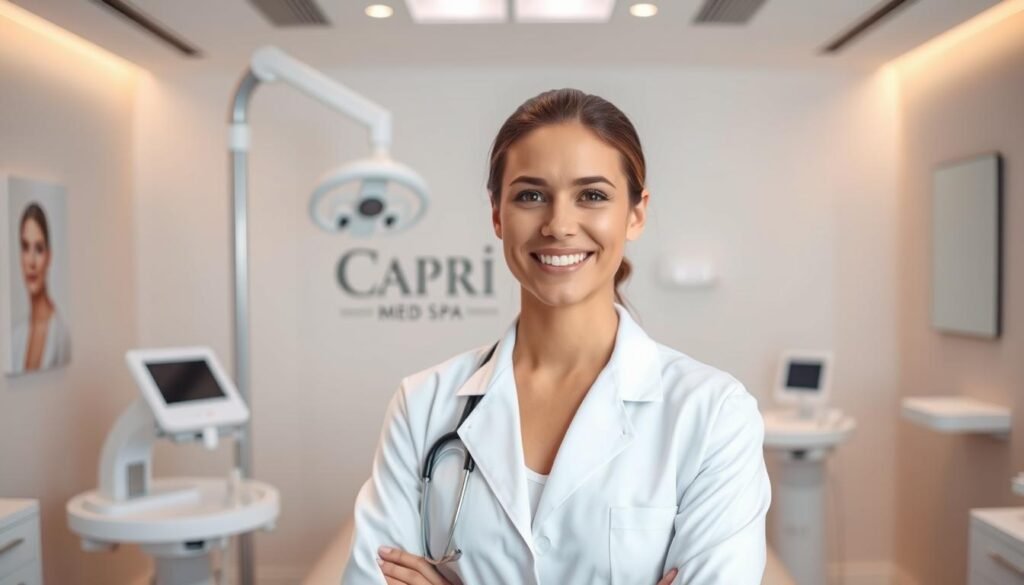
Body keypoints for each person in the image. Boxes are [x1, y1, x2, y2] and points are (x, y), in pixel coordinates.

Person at [341, 89, 770, 585]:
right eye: (530, 195)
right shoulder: (422, 404)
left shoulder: (713, 413)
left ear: (635, 213)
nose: (559, 225)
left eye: (592, 195)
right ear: (497, 214)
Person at [11, 202, 71, 374]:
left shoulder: (61, 334)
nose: (31, 261)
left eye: (39, 249)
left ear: (49, 256)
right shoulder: (16, 337)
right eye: (25, 247)